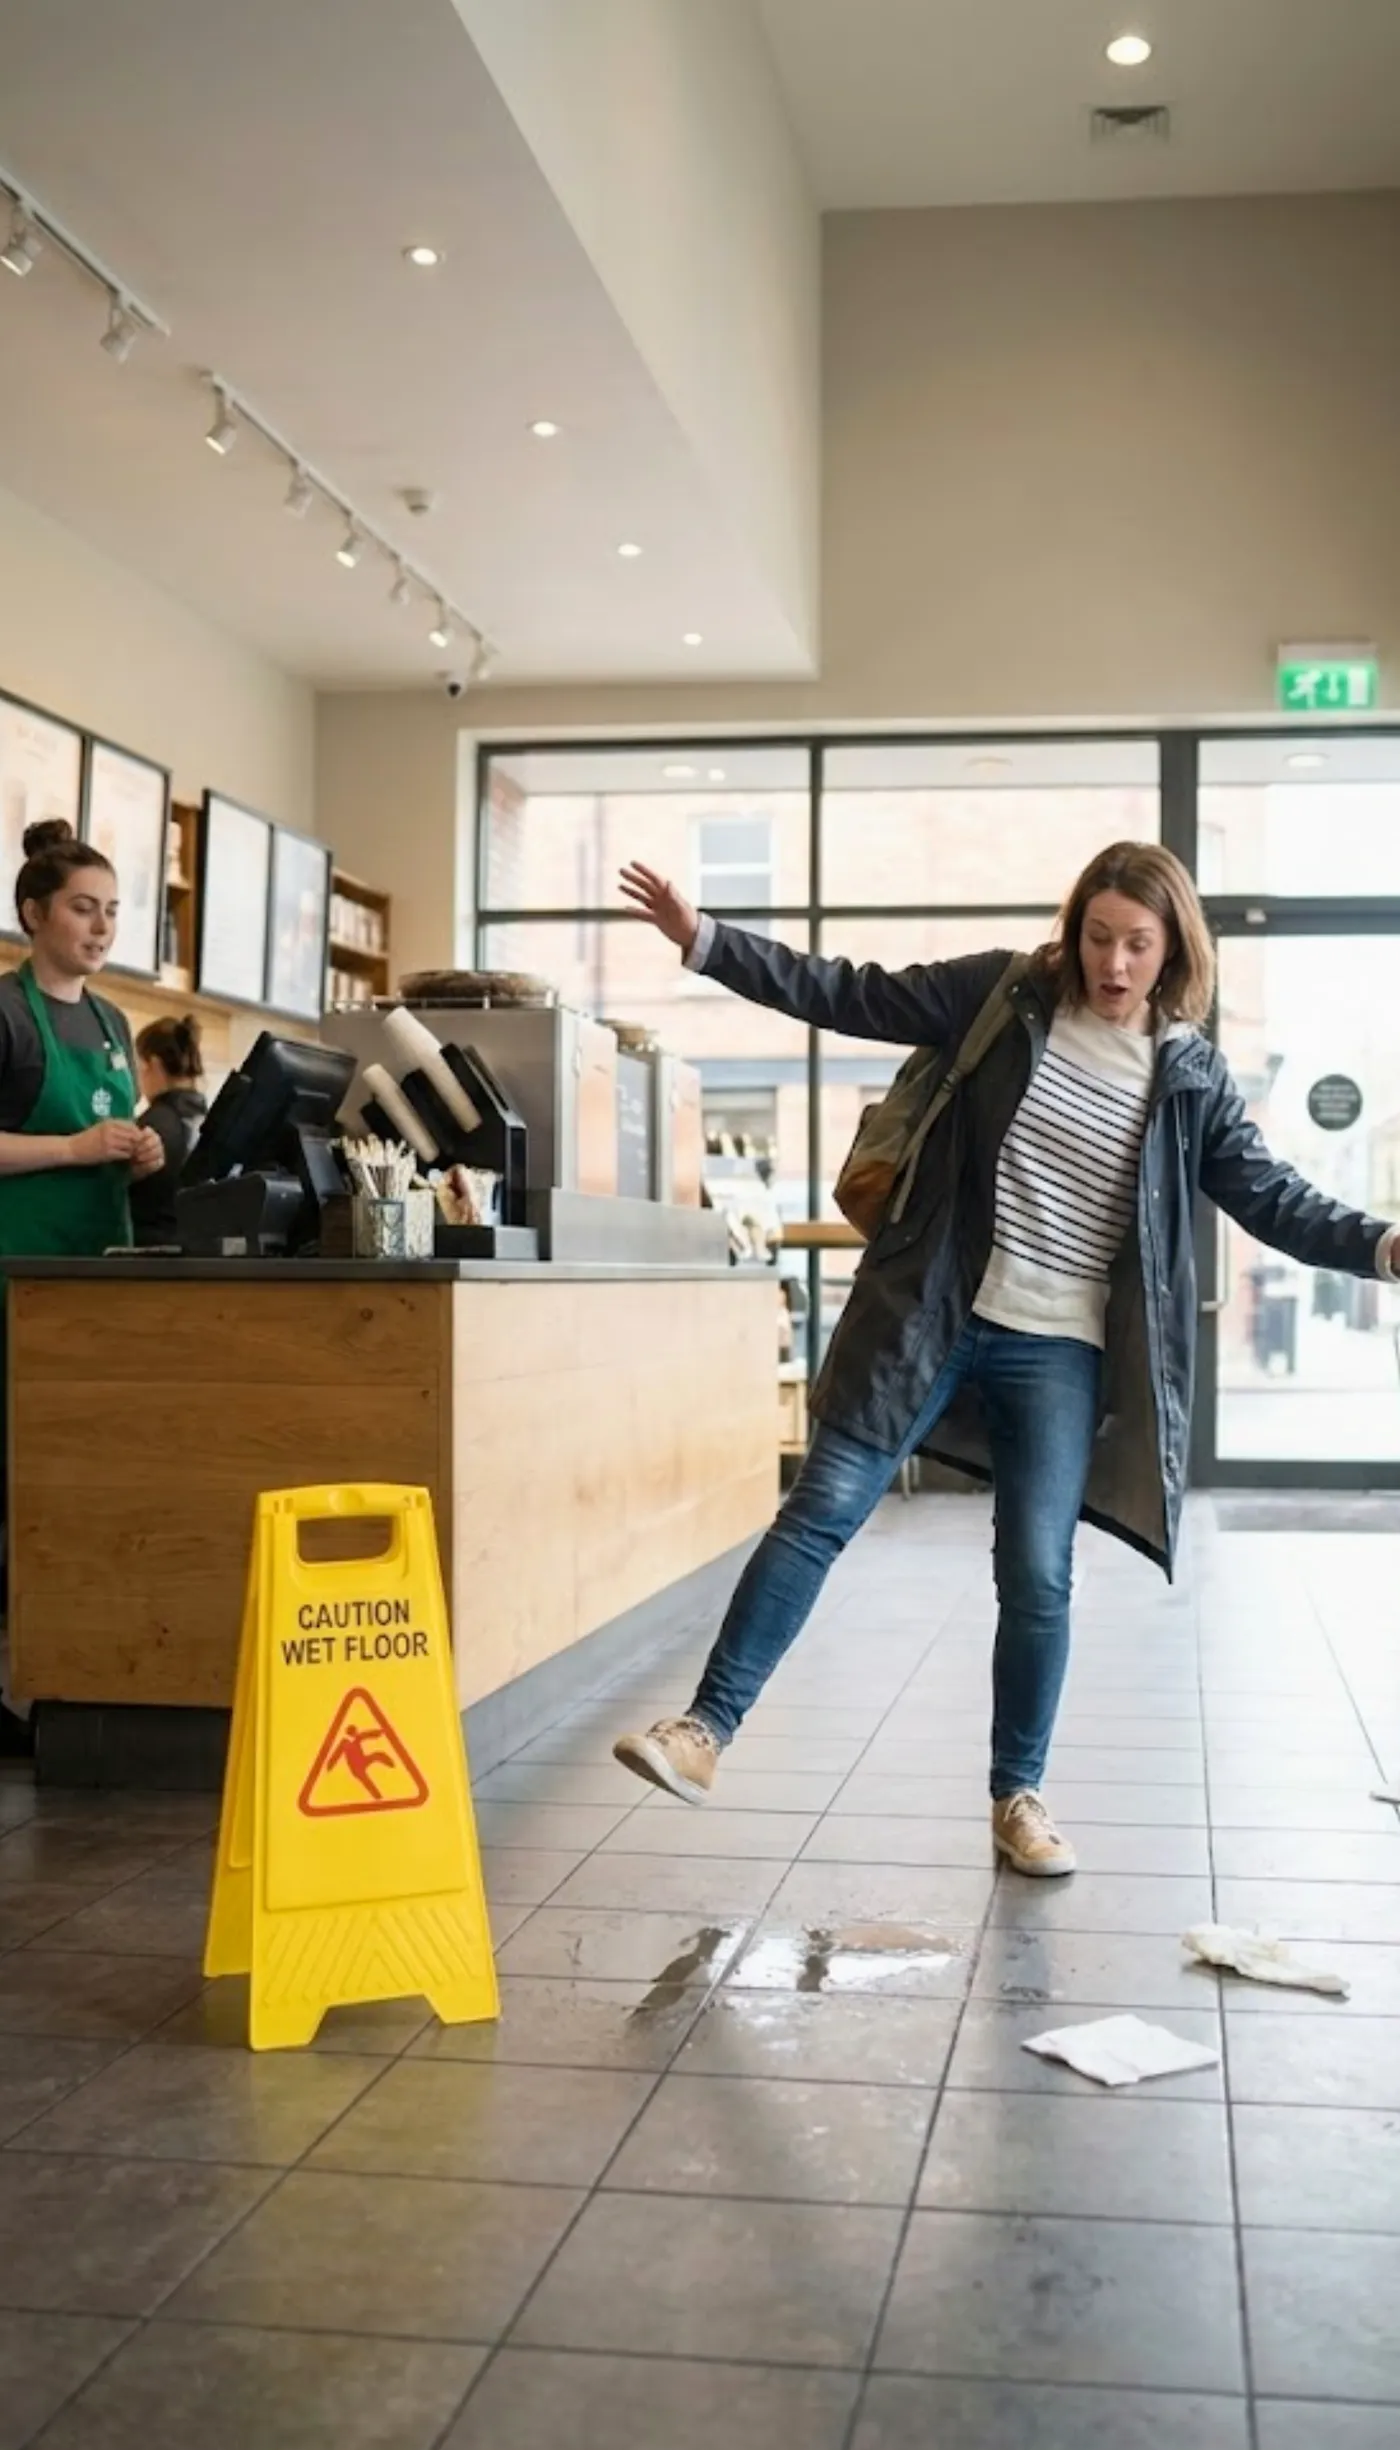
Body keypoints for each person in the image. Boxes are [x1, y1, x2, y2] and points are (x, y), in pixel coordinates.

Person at [611, 842, 1400, 1877]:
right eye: (1097, 936)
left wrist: (1380, 1245)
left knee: (1036, 1573)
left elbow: (1270, 1196)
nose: (1113, 962)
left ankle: (1016, 1795)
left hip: (1058, 1351)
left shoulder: (1187, 1074)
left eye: (1137, 943)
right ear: (1074, 930)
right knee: (820, 1508)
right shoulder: (1003, 995)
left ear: (1172, 950)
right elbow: (849, 992)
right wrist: (707, 941)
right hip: (930, 1312)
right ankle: (702, 1729)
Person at [0, 820, 163, 1257]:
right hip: (18, 1267)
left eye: (111, 911)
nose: (101, 928)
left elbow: (103, 1154)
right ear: (34, 914)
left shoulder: (113, 1021)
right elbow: (79, 1149)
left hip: (101, 1266)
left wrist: (137, 1155)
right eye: (83, 909)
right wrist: (73, 1148)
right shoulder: (7, 1012)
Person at [130, 1012, 207, 1246]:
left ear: (151, 1064)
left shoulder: (151, 1126)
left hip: (148, 1253)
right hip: (198, 1250)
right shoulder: (212, 1121)